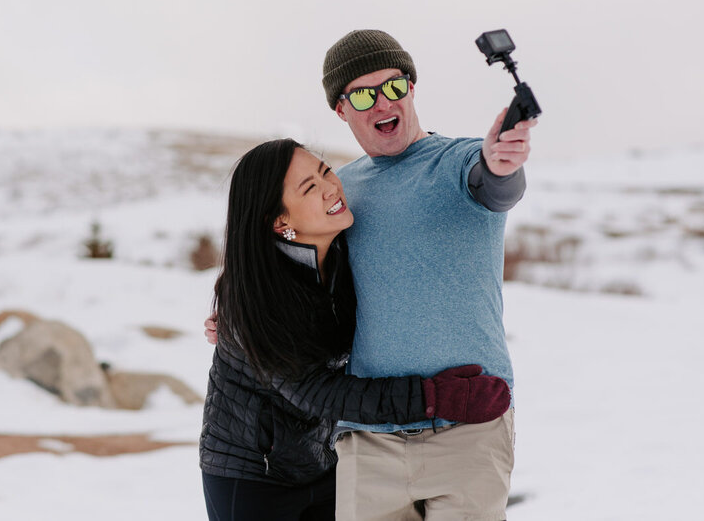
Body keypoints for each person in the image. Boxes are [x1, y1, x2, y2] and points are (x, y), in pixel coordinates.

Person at [199, 138, 511, 521]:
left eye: (326, 171)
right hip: (251, 474)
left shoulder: (346, 251)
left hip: (323, 459)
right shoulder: (251, 297)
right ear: (280, 222)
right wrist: (434, 397)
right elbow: (318, 393)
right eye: (310, 187)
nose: (332, 186)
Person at [321, 29, 537, 521]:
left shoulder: (458, 161)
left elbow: (495, 183)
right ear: (341, 109)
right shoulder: (338, 190)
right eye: (363, 94)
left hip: (468, 427)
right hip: (368, 435)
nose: (382, 103)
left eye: (393, 86)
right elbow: (291, 267)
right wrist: (236, 309)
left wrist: (503, 163)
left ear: (411, 88)